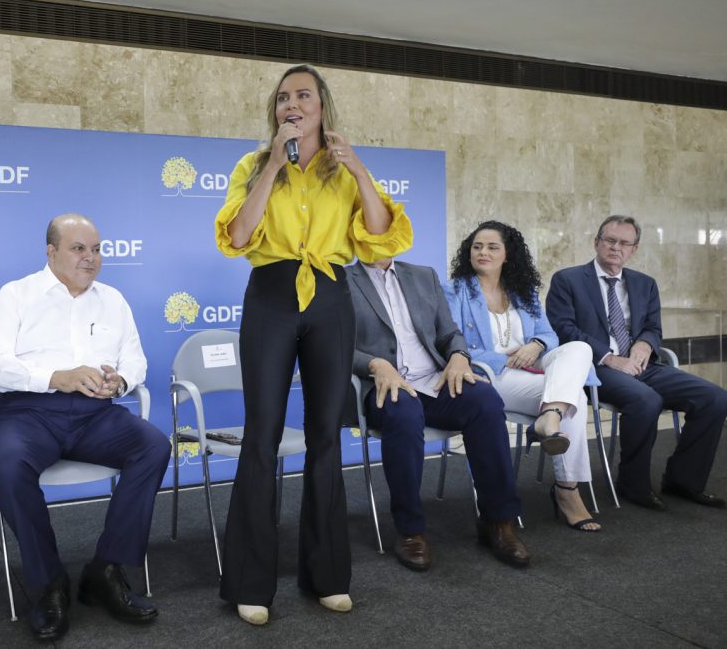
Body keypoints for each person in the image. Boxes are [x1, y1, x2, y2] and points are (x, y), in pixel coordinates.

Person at [214, 64, 413, 625]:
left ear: (322, 106)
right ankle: (250, 584)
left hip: (330, 294)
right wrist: (275, 164)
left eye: (302, 96)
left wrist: (362, 171)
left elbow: (378, 243)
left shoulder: (345, 168)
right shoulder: (253, 165)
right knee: (263, 436)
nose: (291, 105)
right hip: (272, 295)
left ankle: (326, 576)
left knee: (327, 434)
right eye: (283, 98)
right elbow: (236, 235)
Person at [0, 213, 170, 642]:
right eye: (79, 248)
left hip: (95, 414)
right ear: (51, 252)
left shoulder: (113, 300)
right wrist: (55, 377)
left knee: (154, 446)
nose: (91, 257)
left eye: (96, 249)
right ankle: (48, 583)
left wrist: (120, 380)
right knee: (7, 466)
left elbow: (135, 360)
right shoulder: (16, 295)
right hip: (28, 412)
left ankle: (106, 570)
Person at [349, 258, 530, 572]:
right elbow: (334, 344)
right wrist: (376, 365)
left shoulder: (422, 274)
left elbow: (449, 333)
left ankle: (498, 521)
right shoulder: (339, 279)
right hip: (383, 385)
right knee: (404, 412)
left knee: (485, 400)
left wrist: (459, 356)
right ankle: (410, 531)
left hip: (434, 380)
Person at [546, 214, 727, 511]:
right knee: (646, 400)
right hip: (595, 369)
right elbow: (564, 328)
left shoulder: (645, 284)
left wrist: (644, 344)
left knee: (715, 399)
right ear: (597, 243)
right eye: (610, 240)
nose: (616, 247)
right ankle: (633, 484)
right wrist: (609, 357)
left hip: (642, 366)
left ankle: (684, 480)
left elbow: (653, 328)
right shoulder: (569, 279)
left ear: (634, 249)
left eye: (625, 243)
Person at [445, 221, 600, 532]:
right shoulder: (455, 290)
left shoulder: (523, 290)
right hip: (490, 376)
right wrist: (505, 359)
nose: (483, 252)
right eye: (477, 247)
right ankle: (567, 492)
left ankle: (550, 417)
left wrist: (536, 345)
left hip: (533, 369)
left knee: (579, 348)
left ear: (507, 254)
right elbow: (451, 341)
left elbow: (548, 334)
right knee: (576, 398)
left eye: (492, 247)